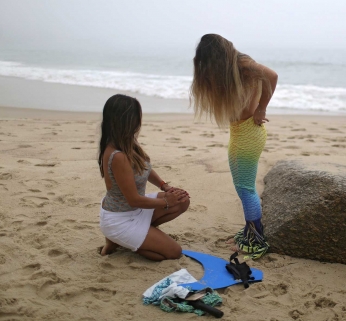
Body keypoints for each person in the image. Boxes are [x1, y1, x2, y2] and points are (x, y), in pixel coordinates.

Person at [190, 34, 278, 259]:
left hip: (247, 134)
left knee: (245, 189)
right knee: (244, 188)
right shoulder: (234, 66)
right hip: (243, 133)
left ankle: (256, 241)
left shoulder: (242, 63)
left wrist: (262, 109)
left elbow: (272, 75)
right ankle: (251, 232)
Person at [98, 94, 190, 260]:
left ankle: (135, 237)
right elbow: (134, 200)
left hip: (136, 210)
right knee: (173, 252)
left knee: (183, 200)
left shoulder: (128, 142)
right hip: (120, 219)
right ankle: (119, 240)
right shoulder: (117, 156)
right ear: (124, 121)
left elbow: (144, 169)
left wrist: (164, 186)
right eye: (135, 118)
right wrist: (167, 201)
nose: (138, 123)